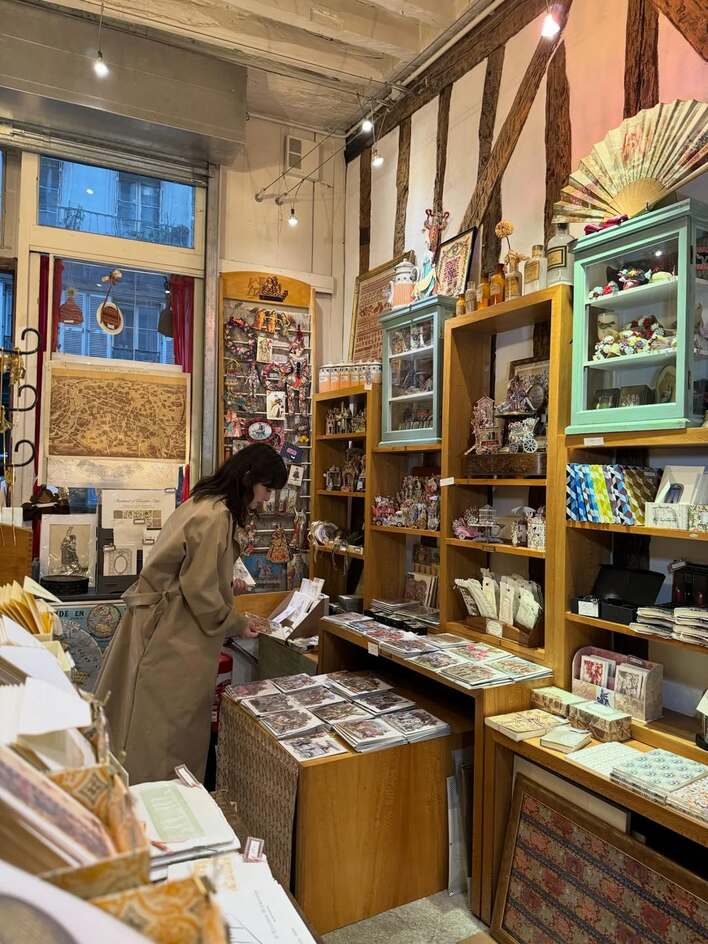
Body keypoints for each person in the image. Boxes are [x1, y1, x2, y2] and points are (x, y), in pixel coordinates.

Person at [95, 443, 288, 784]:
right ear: (249, 479)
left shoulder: (204, 502)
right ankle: (157, 806)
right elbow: (199, 590)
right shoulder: (216, 516)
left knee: (140, 721)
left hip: (161, 625)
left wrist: (224, 587)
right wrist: (237, 623)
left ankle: (134, 797)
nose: (266, 499)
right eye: (266, 489)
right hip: (172, 634)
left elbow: (192, 573)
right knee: (163, 731)